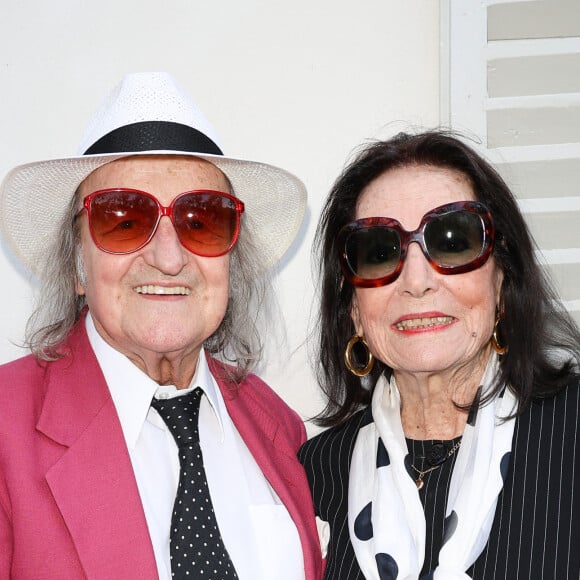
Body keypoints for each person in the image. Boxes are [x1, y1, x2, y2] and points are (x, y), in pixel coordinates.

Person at [0, 72, 324, 579]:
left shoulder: (276, 424)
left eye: (202, 220)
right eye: (123, 219)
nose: (169, 258)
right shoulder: (5, 428)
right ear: (76, 265)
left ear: (231, 259)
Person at [298, 130, 580, 579]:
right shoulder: (313, 475)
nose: (416, 280)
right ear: (353, 308)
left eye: (453, 240)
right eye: (378, 251)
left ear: (503, 281)